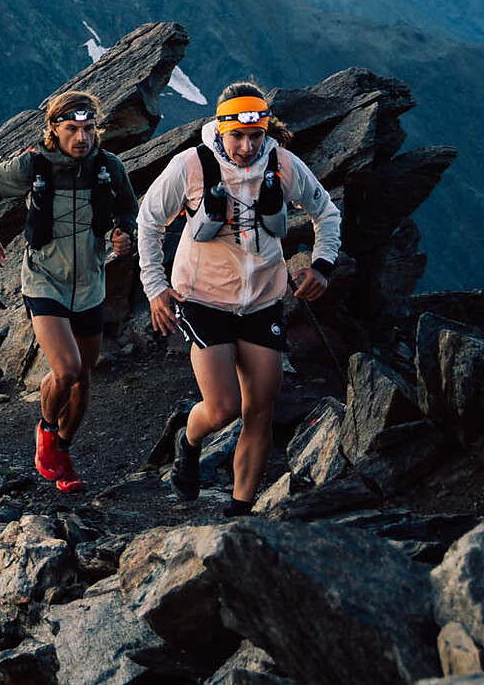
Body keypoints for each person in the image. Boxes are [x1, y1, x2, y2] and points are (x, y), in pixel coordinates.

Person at [136, 82, 341, 516]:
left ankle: (239, 512)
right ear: (222, 129)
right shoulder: (190, 166)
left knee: (260, 410)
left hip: (263, 301)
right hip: (202, 298)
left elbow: (326, 213)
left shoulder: (283, 164)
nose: (248, 147)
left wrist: (321, 266)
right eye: (238, 137)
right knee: (224, 406)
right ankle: (187, 442)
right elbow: (149, 220)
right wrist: (155, 288)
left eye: (256, 136)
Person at [0, 90, 138, 493]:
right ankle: (46, 433)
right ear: (54, 129)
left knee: (83, 378)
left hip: (90, 283)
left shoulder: (108, 166)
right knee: (64, 370)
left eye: (88, 129)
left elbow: (128, 208)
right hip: (44, 278)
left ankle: (63, 451)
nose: (81, 138)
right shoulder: (35, 165)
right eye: (72, 129)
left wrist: (123, 233)